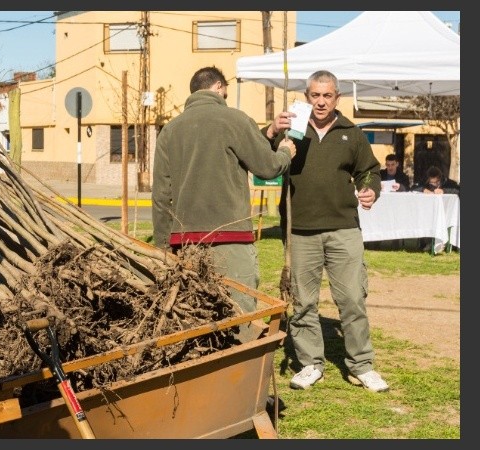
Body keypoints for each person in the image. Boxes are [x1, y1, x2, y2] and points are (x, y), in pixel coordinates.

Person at [265, 70, 389, 393]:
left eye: (327, 96)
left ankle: (361, 365)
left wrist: (369, 190)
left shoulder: (351, 133)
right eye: (315, 95)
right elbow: (260, 152)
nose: (320, 102)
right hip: (300, 231)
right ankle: (310, 364)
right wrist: (271, 129)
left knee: (352, 299)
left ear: (337, 98)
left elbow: (369, 171)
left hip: (343, 229)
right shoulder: (293, 128)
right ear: (307, 97)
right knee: (303, 302)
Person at [152, 65, 296, 317]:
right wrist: (285, 152)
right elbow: (268, 167)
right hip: (230, 238)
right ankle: (240, 357)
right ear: (219, 87)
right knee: (239, 312)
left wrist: (164, 246)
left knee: (195, 313)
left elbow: (161, 195)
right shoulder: (235, 119)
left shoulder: (169, 131)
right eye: (225, 94)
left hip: (185, 242)